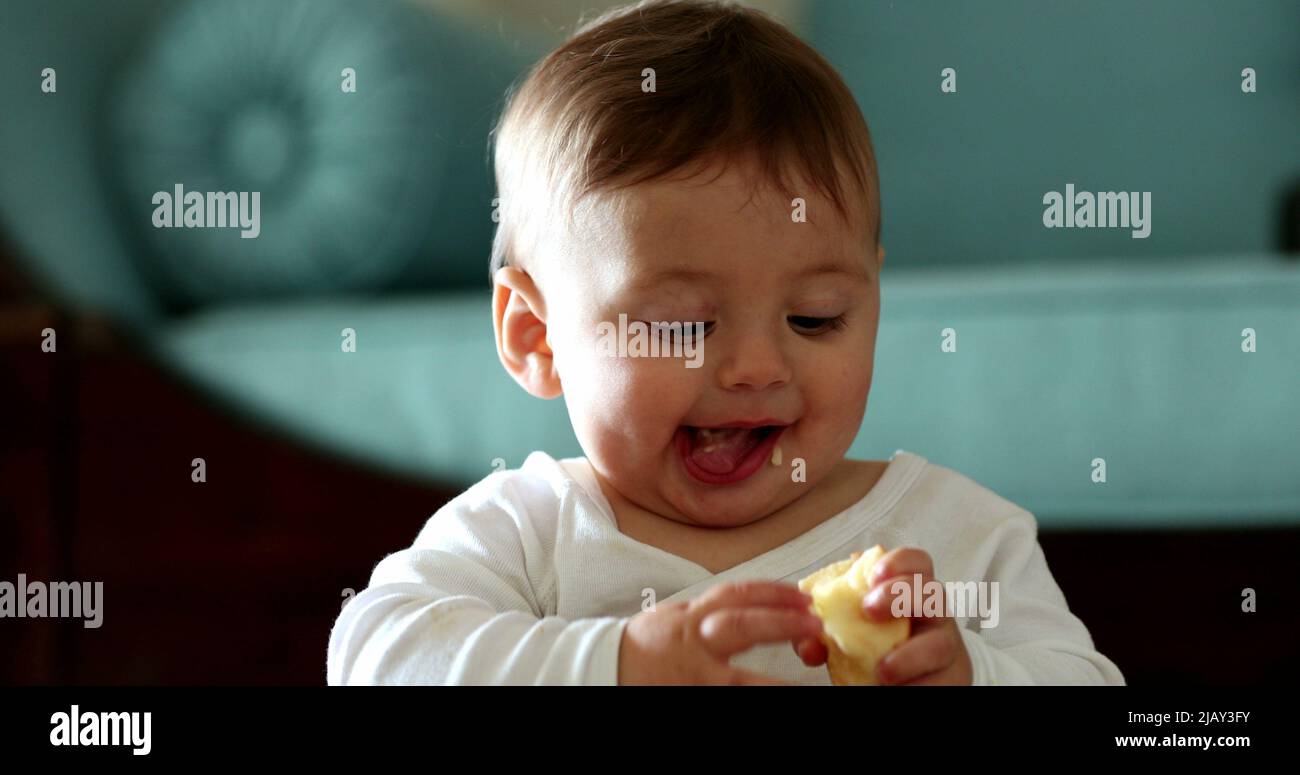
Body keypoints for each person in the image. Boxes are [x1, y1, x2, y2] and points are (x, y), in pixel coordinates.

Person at [327, 0, 1125, 686]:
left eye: (814, 317)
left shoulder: (954, 533)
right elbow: (372, 655)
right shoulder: (528, 533)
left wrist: (972, 672)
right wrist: (617, 661)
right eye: (682, 325)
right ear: (536, 334)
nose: (754, 369)